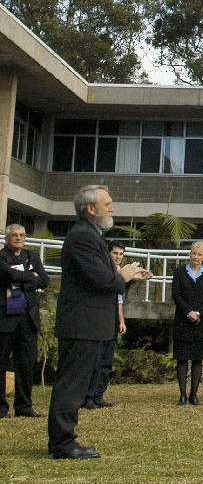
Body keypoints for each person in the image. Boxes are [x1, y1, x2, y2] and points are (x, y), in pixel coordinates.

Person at [48, 185, 149, 459]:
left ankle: (66, 438)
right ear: (90, 209)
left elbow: (107, 282)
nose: (112, 208)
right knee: (71, 385)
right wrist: (123, 275)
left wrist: (127, 277)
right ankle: (62, 443)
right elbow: (103, 280)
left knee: (77, 385)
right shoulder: (83, 236)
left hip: (87, 323)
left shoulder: (91, 235)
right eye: (108, 203)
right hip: (81, 323)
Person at [0, 224, 50, 418]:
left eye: (22, 235)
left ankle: (24, 406)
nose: (19, 238)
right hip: (6, 319)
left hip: (28, 319)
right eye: (14, 235)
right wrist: (30, 276)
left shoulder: (32, 256)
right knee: (2, 363)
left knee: (26, 365)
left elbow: (44, 280)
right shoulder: (2, 256)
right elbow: (7, 274)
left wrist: (21, 281)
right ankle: (2, 408)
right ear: (7, 238)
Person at [82, 240, 129, 410]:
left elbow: (119, 301)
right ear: (108, 253)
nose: (118, 257)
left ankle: (98, 395)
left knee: (106, 361)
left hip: (113, 320)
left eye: (121, 254)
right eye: (115, 253)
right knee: (96, 360)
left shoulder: (119, 274)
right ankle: (88, 397)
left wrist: (121, 321)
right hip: (100, 319)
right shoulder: (104, 273)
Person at [171, 241, 203, 406]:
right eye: (193, 253)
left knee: (198, 359)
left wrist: (198, 313)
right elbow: (176, 295)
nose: (195, 257)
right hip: (183, 320)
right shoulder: (179, 272)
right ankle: (182, 394)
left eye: (199, 254)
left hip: (201, 322)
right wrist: (188, 311)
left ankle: (193, 395)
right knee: (182, 358)